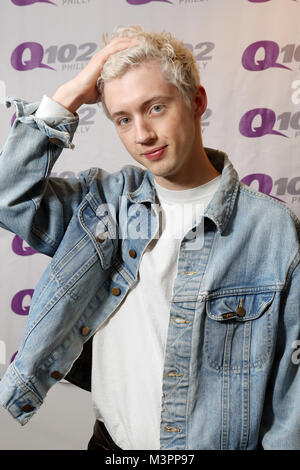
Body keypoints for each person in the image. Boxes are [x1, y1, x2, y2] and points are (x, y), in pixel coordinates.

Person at [0, 25, 300, 451]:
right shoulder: (103, 204)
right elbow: (8, 195)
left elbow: (294, 397)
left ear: (197, 102)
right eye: (123, 118)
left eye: (155, 107)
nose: (142, 134)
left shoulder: (271, 230)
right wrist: (70, 94)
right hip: (109, 447)